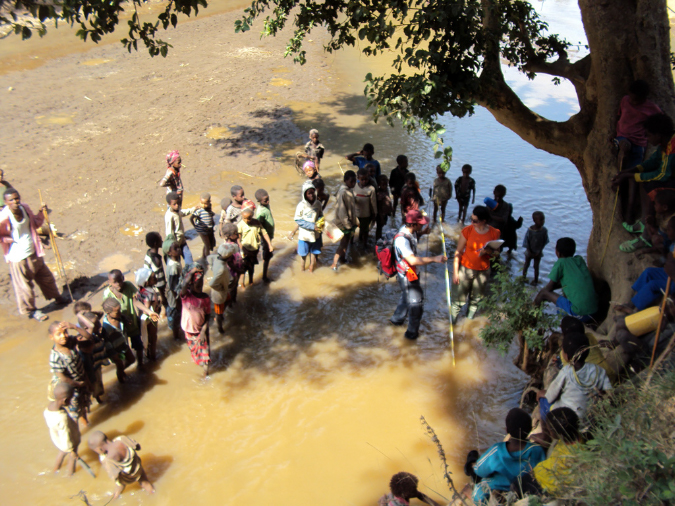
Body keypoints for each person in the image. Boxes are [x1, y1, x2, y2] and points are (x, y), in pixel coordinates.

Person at [0, 188, 67, 321]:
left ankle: (57, 298)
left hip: (33, 251)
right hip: (18, 257)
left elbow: (35, 222)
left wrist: (42, 213)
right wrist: (10, 240)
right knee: (24, 287)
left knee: (46, 277)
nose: (15, 202)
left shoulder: (24, 208)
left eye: (16, 198)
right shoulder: (4, 217)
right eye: (11, 200)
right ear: (6, 202)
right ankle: (32, 311)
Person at [465, 408, 546, 505]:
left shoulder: (497, 451)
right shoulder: (536, 449)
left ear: (506, 430)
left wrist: (473, 465)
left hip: (498, 486)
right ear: (529, 430)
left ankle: (472, 496)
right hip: (522, 488)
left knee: (479, 489)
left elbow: (480, 471)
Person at [390, 210, 447, 340]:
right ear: (413, 224)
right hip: (407, 276)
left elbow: (413, 239)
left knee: (406, 296)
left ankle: (396, 320)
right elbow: (413, 260)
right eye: (420, 224)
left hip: (406, 273)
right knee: (417, 305)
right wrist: (435, 258)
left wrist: (422, 233)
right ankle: (411, 335)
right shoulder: (402, 240)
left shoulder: (408, 230)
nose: (422, 225)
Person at [612, 113, 675, 227]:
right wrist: (631, 170)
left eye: (649, 135)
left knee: (648, 184)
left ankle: (645, 226)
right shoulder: (664, 144)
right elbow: (653, 161)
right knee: (642, 179)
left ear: (658, 135)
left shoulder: (673, 147)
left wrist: (630, 176)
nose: (647, 138)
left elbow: (662, 175)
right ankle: (641, 219)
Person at [612, 80, 662, 224]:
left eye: (637, 99)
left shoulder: (651, 108)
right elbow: (618, 117)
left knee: (634, 178)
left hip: (639, 143)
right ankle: (619, 182)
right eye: (631, 97)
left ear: (644, 98)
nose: (633, 101)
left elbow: (660, 119)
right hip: (622, 138)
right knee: (625, 147)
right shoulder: (625, 100)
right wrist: (613, 134)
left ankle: (630, 210)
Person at [536, 332, 612, 419]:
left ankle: (546, 427)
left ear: (566, 356)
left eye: (563, 350)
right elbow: (609, 390)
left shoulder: (566, 371)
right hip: (589, 417)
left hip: (566, 418)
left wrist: (541, 393)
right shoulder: (598, 370)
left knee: (543, 401)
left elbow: (550, 397)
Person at [451, 206, 501, 322]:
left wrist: (490, 252)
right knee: (458, 300)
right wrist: (455, 272)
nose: (472, 222)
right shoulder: (467, 231)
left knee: (476, 300)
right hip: (465, 270)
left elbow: (496, 254)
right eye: (471, 219)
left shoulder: (494, 233)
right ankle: (452, 323)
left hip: (483, 271)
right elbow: (458, 252)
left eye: (475, 221)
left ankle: (468, 321)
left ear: (484, 221)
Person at [103, 269, 159, 368]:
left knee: (139, 346)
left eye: (120, 280)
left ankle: (140, 366)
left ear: (123, 278)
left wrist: (149, 312)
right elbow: (108, 312)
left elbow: (136, 301)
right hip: (119, 328)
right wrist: (123, 317)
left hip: (132, 323)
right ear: (109, 282)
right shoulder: (107, 294)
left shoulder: (128, 286)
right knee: (123, 349)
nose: (118, 284)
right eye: (115, 282)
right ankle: (122, 369)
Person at [534, 238, 598, 321]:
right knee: (555, 296)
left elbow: (548, 289)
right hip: (594, 312)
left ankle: (532, 317)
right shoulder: (579, 260)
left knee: (543, 293)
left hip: (579, 314)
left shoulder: (561, 262)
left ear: (558, 253)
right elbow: (571, 281)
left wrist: (546, 296)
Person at [88, 431, 155, 500]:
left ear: (100, 449)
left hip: (126, 477)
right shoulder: (122, 439)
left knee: (119, 486)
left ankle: (114, 499)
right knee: (145, 482)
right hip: (137, 468)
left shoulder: (108, 459)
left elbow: (115, 475)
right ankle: (153, 494)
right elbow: (137, 447)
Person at [48, 321, 90, 426]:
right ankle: (76, 431)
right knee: (74, 411)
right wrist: (79, 384)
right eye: (59, 334)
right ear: (51, 337)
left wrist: (74, 327)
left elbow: (87, 337)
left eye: (65, 332)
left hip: (81, 380)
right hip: (71, 388)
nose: (63, 336)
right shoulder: (55, 357)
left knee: (83, 404)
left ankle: (85, 421)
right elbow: (63, 378)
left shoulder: (70, 342)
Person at [531, 407, 580, 495]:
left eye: (549, 430)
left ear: (558, 434)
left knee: (518, 484)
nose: (549, 432)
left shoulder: (566, 454)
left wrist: (536, 472)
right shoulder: (576, 438)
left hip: (549, 484)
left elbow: (554, 477)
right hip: (549, 473)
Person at [619, 188, 675, 253]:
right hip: (661, 232)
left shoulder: (671, 221)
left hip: (667, 240)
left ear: (665, 207)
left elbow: (671, 238)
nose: (654, 206)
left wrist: (661, 238)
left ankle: (658, 252)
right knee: (648, 225)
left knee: (655, 240)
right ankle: (648, 239)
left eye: (656, 204)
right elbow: (658, 225)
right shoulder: (661, 214)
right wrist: (651, 222)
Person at [180, 264, 211, 376]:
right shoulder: (186, 296)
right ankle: (201, 365)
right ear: (191, 285)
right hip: (189, 331)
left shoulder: (205, 298)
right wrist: (192, 272)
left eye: (201, 284)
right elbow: (184, 284)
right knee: (195, 352)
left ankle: (205, 374)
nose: (200, 286)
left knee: (206, 354)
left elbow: (208, 315)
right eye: (197, 284)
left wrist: (203, 331)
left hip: (201, 330)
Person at [44, 382, 81, 476]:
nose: (71, 402)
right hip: (67, 440)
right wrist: (71, 450)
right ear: (64, 400)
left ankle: (55, 470)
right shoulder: (62, 418)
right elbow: (66, 435)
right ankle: (70, 474)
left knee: (62, 451)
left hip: (58, 438)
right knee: (72, 454)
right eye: (70, 400)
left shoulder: (50, 407)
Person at [74, 303, 108, 403]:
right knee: (93, 382)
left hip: (96, 360)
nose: (99, 325)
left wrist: (89, 313)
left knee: (98, 380)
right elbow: (91, 326)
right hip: (91, 363)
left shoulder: (88, 323)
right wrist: (80, 315)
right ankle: (96, 398)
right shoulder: (83, 333)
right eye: (97, 324)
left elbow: (101, 313)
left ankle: (97, 397)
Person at [101, 297, 135, 383]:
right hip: (115, 351)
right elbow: (106, 343)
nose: (120, 313)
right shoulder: (106, 328)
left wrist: (126, 320)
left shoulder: (120, 317)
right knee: (119, 365)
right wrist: (113, 354)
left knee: (132, 359)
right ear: (108, 313)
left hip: (124, 345)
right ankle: (121, 381)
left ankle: (121, 371)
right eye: (117, 312)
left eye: (120, 310)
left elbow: (123, 318)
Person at [292, 180, 324, 272]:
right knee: (303, 255)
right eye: (309, 193)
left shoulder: (318, 203)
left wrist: (320, 222)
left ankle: (311, 269)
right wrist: (311, 226)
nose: (311, 195)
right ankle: (302, 269)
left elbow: (320, 214)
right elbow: (298, 220)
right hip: (304, 236)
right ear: (304, 194)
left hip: (316, 234)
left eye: (313, 192)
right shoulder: (301, 206)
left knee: (314, 252)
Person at [237, 206, 273, 287]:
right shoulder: (240, 225)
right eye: (244, 218)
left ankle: (251, 281)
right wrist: (242, 250)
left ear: (252, 216)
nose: (246, 220)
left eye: (249, 218)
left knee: (251, 267)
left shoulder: (257, 223)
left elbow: (264, 233)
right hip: (245, 250)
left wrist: (269, 244)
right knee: (243, 268)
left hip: (254, 250)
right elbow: (238, 240)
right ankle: (242, 284)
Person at [331, 170, 358, 271]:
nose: (354, 184)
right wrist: (347, 225)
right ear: (345, 180)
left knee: (345, 241)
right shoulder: (343, 192)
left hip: (348, 222)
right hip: (344, 223)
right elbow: (342, 211)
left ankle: (342, 259)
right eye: (352, 181)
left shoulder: (348, 190)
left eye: (355, 181)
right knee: (343, 243)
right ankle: (334, 263)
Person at [207, 243, 235, 333]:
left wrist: (211, 267)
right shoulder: (222, 269)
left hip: (224, 290)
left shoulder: (216, 258)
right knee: (218, 313)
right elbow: (211, 283)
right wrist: (221, 288)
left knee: (228, 301)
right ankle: (220, 328)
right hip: (218, 294)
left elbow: (208, 258)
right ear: (228, 257)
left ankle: (221, 314)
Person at [135, 267, 161, 362]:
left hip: (142, 318)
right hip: (151, 319)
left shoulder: (140, 290)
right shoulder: (150, 292)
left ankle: (144, 358)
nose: (156, 279)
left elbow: (136, 301)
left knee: (145, 338)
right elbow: (147, 307)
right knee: (153, 339)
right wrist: (152, 311)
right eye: (153, 278)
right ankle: (153, 359)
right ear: (146, 281)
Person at [487, 184, 522, 253]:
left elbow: (503, 219)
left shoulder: (505, 206)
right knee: (487, 248)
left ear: (504, 195)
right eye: (497, 196)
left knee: (498, 249)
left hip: (499, 232)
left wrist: (491, 216)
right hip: (489, 230)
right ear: (494, 193)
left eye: (500, 197)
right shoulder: (489, 204)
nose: (498, 198)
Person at [164, 191, 196, 266]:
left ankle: (189, 272)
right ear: (169, 204)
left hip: (182, 240)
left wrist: (193, 209)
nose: (177, 205)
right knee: (177, 263)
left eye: (178, 203)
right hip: (175, 244)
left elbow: (183, 213)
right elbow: (169, 233)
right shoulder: (169, 216)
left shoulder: (177, 211)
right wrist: (173, 246)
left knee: (189, 258)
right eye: (174, 204)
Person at [522, 211, 549, 285]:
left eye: (543, 220)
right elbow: (526, 241)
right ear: (534, 220)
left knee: (536, 267)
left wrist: (540, 250)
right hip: (529, 251)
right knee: (526, 264)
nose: (543, 222)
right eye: (541, 220)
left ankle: (535, 281)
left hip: (538, 252)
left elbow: (545, 241)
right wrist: (529, 251)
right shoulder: (530, 230)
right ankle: (523, 278)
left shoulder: (544, 230)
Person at [353, 168, 377, 251]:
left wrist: (374, 213)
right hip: (355, 214)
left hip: (366, 214)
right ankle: (351, 243)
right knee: (352, 230)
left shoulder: (371, 189)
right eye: (362, 179)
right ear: (358, 178)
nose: (364, 181)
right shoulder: (354, 186)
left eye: (366, 179)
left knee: (365, 230)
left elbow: (373, 203)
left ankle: (364, 244)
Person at [164, 241, 183, 341]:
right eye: (175, 249)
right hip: (174, 298)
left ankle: (177, 335)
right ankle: (176, 337)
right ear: (169, 253)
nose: (179, 249)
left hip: (174, 295)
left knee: (176, 316)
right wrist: (177, 300)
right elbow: (173, 287)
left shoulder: (173, 262)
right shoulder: (173, 267)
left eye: (178, 247)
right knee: (175, 316)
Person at [255, 189, 275, 283]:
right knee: (266, 256)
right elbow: (260, 228)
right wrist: (267, 242)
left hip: (269, 235)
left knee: (268, 254)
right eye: (265, 200)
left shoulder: (266, 205)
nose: (268, 201)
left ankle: (267, 258)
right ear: (259, 201)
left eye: (268, 199)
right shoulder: (260, 213)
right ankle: (264, 277)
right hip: (265, 237)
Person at [144, 231, 167, 309]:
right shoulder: (156, 260)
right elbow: (159, 281)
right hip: (157, 290)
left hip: (149, 288)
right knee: (163, 308)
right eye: (160, 239)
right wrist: (162, 296)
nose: (162, 241)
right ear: (155, 243)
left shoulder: (148, 253)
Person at [191, 192, 216, 259]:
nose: (204, 205)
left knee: (207, 244)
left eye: (206, 203)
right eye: (202, 203)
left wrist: (212, 221)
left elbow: (209, 214)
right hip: (201, 230)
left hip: (208, 229)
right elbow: (191, 218)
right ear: (200, 201)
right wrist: (195, 227)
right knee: (207, 246)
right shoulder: (199, 210)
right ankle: (208, 259)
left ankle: (203, 256)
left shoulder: (209, 206)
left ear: (209, 202)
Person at [376, 174, 393, 241]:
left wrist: (390, 209)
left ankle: (379, 238)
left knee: (381, 226)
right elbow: (379, 207)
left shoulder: (386, 190)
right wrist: (381, 217)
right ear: (379, 184)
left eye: (386, 184)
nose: (385, 186)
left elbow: (388, 199)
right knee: (379, 227)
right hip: (381, 214)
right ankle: (377, 240)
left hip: (385, 213)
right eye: (383, 185)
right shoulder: (379, 194)